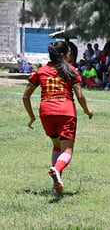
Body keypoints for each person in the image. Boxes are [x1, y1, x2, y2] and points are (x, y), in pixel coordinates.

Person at [22, 41, 93, 194]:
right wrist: (87, 110)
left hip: (46, 113)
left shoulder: (41, 71)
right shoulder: (71, 71)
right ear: (62, 55)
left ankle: (56, 184)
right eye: (69, 53)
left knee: (56, 146)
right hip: (66, 112)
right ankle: (57, 169)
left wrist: (31, 117)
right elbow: (80, 95)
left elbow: (25, 96)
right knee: (67, 149)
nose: (70, 56)